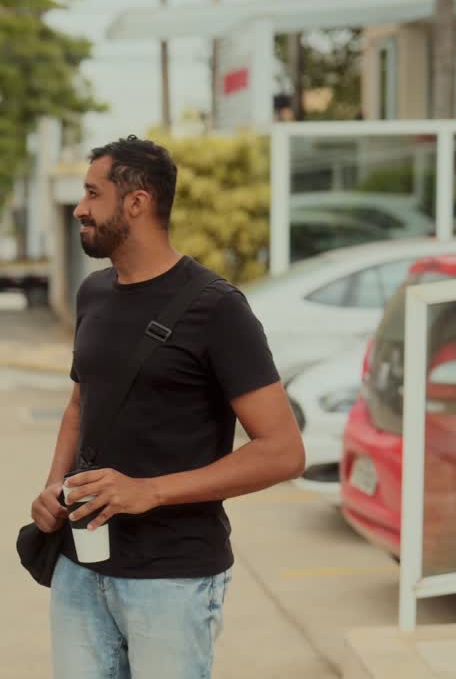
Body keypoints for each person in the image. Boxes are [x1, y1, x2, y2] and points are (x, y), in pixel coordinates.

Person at [29, 135, 305, 679]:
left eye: (93, 193)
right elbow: (82, 401)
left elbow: (284, 452)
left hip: (172, 580)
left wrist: (149, 492)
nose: (80, 208)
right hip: (80, 567)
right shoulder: (94, 293)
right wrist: (54, 485)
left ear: (137, 202)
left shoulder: (217, 309)